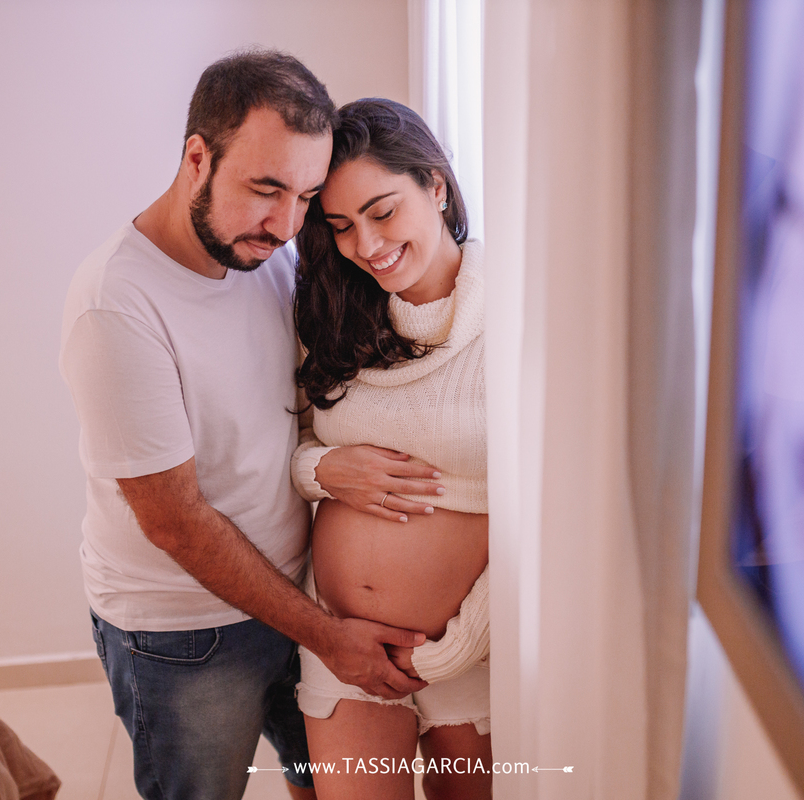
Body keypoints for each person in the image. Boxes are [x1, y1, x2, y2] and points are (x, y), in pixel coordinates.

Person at [58, 52, 429, 800]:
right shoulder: (117, 306)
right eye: (265, 189)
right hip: (184, 635)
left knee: (321, 786)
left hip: (297, 596)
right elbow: (178, 523)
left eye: (305, 195)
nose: (288, 225)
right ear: (197, 156)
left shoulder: (266, 257)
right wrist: (331, 639)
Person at [290, 98, 492, 800]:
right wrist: (320, 469)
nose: (365, 246)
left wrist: (459, 644)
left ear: (435, 185)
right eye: (341, 226)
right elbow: (295, 445)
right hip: (342, 641)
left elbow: (560, 504)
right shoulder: (332, 312)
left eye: (382, 211)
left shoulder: (517, 311)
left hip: (471, 647)